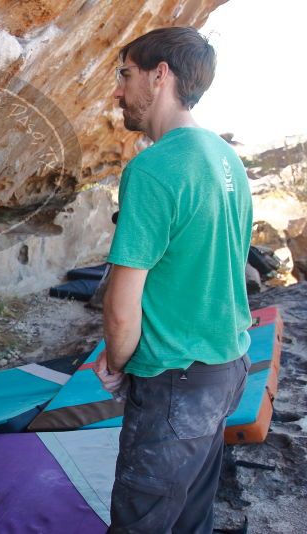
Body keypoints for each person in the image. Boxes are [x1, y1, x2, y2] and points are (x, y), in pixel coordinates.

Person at [93, 27, 252, 533]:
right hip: (226, 366)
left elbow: (122, 308)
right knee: (189, 518)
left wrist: (116, 362)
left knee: (140, 523)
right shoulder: (228, 160)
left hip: (175, 380)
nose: (118, 91)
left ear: (160, 75)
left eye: (125, 75)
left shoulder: (153, 169)